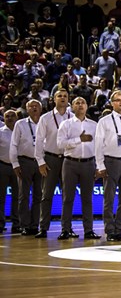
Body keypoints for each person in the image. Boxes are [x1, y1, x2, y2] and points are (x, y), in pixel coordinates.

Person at [94, 90, 121, 243]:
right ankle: (109, 229)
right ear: (112, 103)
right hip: (110, 162)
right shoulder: (104, 121)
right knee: (109, 198)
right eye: (118, 100)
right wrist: (100, 165)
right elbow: (98, 145)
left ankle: (119, 230)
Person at [56, 96, 100, 240]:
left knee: (87, 199)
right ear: (72, 107)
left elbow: (100, 147)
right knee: (68, 198)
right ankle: (65, 229)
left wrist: (99, 166)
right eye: (77, 103)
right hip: (70, 163)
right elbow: (60, 144)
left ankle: (89, 230)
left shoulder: (94, 125)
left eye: (83, 102)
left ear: (87, 106)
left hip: (89, 163)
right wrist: (78, 140)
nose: (80, 105)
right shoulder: (66, 124)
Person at [34, 89, 70, 238]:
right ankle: (43, 227)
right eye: (59, 96)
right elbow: (38, 141)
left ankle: (66, 228)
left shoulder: (73, 117)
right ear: (53, 99)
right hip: (51, 159)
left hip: (68, 160)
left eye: (65, 96)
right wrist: (41, 161)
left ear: (68, 99)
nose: (62, 98)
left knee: (67, 196)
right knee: (46, 195)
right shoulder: (45, 118)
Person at [10, 101, 43, 235]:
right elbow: (13, 144)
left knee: (38, 195)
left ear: (41, 108)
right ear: (27, 109)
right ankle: (24, 225)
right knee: (23, 195)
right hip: (25, 161)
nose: (34, 108)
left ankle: (35, 225)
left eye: (36, 106)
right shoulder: (20, 123)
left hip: (41, 162)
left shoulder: (44, 122)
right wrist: (15, 164)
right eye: (31, 106)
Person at [0, 110, 19, 234]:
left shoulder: (21, 131)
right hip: (3, 166)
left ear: (17, 117)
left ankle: (17, 224)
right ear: (3, 118)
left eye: (12, 116)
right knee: (0, 198)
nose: (10, 118)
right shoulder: (0, 132)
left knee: (18, 197)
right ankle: (0, 224)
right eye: (7, 116)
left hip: (18, 167)